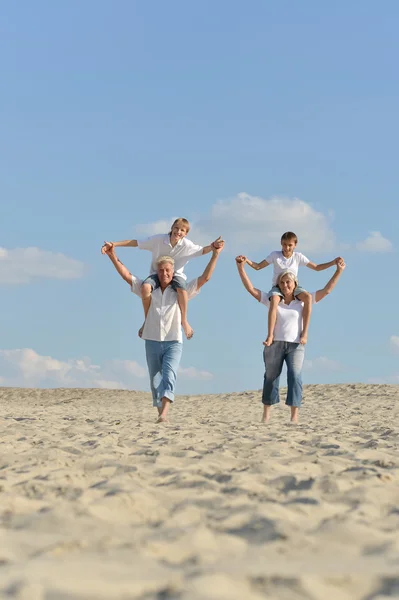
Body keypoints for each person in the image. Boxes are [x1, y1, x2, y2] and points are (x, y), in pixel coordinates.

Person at [103, 240, 224, 423]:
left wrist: (215, 255)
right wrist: (112, 255)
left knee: (169, 375)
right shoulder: (149, 289)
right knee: (155, 380)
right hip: (151, 339)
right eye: (161, 270)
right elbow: (127, 276)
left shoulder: (180, 291)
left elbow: (204, 278)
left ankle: (164, 414)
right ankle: (160, 412)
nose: (165, 273)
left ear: (173, 272)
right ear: (156, 272)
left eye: (168, 270)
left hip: (173, 340)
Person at [236, 255, 345, 424]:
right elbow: (251, 289)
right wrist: (241, 268)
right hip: (274, 344)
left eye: (288, 282)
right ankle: (266, 414)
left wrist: (338, 271)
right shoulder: (273, 300)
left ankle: (294, 417)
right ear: (278, 285)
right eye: (282, 283)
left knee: (295, 376)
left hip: (296, 345)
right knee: (271, 376)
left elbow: (327, 290)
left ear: (295, 284)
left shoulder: (302, 302)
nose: (285, 285)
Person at [101, 218, 223, 339]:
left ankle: (184, 320)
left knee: (182, 289)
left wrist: (214, 247)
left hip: (178, 276)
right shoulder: (159, 240)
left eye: (182, 230)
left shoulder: (187, 246)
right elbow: (135, 243)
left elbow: (203, 253)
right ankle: (147, 321)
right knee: (145, 287)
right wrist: (114, 245)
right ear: (171, 228)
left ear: (186, 234)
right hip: (154, 275)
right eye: (176, 228)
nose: (178, 232)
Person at [244, 231, 343, 347]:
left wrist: (333, 263)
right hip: (277, 286)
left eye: (290, 245)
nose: (287, 248)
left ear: (295, 245)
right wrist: (246, 261)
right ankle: (270, 335)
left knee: (308, 297)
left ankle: (305, 333)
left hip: (293, 286)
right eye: (284, 245)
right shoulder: (275, 255)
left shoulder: (298, 257)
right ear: (281, 244)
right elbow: (258, 266)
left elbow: (317, 267)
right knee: (275, 299)